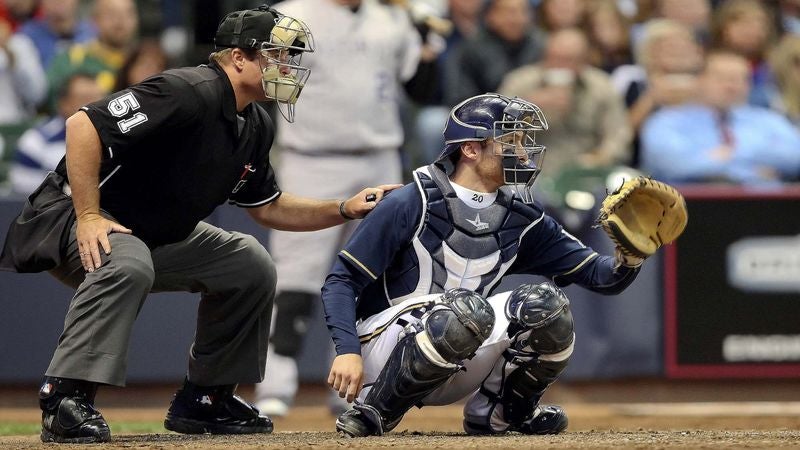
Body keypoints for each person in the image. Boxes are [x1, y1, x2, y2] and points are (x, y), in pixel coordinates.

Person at [0, 5, 397, 444]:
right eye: (275, 54)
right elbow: (82, 125)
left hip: (150, 231)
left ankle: (206, 400)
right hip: (69, 216)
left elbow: (269, 207)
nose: (286, 66)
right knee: (126, 263)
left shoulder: (254, 124)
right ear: (238, 57)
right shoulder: (186, 90)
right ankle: (64, 399)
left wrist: (344, 207)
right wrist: (89, 215)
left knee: (249, 263)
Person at [321, 93, 648, 437]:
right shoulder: (411, 199)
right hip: (382, 352)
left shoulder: (524, 217)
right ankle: (373, 413)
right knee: (465, 311)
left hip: (460, 344)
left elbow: (602, 277)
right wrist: (347, 352)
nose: (522, 152)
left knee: (548, 308)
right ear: (471, 149)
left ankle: (498, 415)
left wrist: (631, 256)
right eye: (510, 141)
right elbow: (341, 281)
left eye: (522, 141)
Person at [252, 0, 431, 417]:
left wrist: (427, 41)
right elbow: (263, 84)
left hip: (380, 154)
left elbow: (420, 86)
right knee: (296, 274)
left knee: (370, 275)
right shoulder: (291, 15)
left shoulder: (392, 18)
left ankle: (352, 386)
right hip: (310, 156)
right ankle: (275, 384)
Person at [641, 51, 800, 185]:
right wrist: (752, 171)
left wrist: (731, 153)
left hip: (768, 206)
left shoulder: (768, 120)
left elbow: (795, 156)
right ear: (699, 80)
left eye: (741, 79)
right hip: (694, 208)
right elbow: (674, 165)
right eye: (722, 78)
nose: (732, 86)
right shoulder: (666, 122)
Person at [9, 73, 104, 195]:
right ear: (64, 103)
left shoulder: (118, 137)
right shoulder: (36, 141)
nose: (95, 106)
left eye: (100, 99)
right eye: (85, 99)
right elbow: (26, 197)